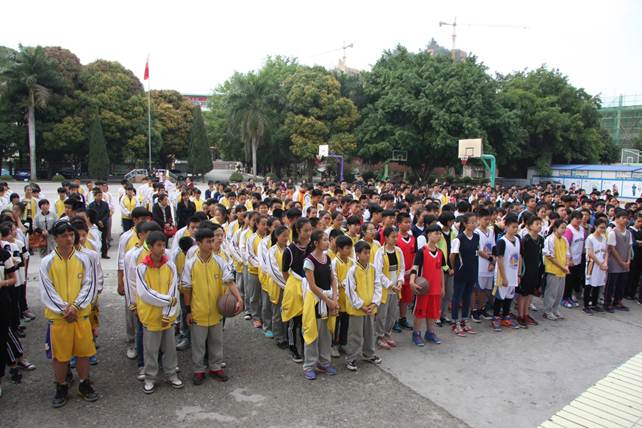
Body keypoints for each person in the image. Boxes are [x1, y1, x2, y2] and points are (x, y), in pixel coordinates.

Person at [40, 220, 98, 407]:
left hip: (80, 315)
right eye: (64, 235)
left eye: (71, 234)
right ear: (55, 238)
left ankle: (84, 383)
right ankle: (61, 385)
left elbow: (89, 285)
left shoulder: (84, 259)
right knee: (60, 356)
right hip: (59, 318)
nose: (69, 238)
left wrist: (76, 307)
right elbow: (47, 290)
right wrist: (64, 308)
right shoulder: (47, 262)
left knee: (83, 353)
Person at [183, 226, 243, 385]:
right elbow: (187, 290)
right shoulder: (190, 264)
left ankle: (215, 367)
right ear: (198, 243)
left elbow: (229, 281)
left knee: (216, 341)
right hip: (198, 311)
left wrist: (239, 299)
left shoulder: (219, 261)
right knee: (198, 344)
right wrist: (188, 311)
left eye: (212, 240)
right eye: (208, 241)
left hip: (216, 311)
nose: (211, 244)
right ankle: (198, 370)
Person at [135, 230, 182, 394]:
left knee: (170, 348)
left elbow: (173, 290)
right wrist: (167, 301)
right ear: (150, 247)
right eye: (159, 245)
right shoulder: (141, 268)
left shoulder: (170, 265)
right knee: (151, 350)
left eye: (164, 245)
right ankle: (150, 378)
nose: (163, 249)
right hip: (150, 316)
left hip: (166, 317)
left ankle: (171, 374)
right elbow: (145, 293)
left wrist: (167, 313)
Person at [302, 230, 338, 380]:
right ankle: (309, 365)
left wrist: (334, 297)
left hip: (328, 298)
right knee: (312, 332)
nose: (327, 242)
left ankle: (324, 362)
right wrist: (328, 300)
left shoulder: (327, 258)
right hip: (316, 300)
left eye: (327, 239)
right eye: (324, 240)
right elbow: (312, 285)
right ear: (316, 243)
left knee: (325, 333)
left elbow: (332, 278)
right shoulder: (309, 261)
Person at [344, 240, 382, 372]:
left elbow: (377, 285)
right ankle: (351, 358)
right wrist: (360, 305)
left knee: (369, 332)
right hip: (357, 309)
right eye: (365, 253)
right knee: (355, 334)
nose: (368, 255)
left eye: (369, 252)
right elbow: (350, 291)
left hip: (370, 308)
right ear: (358, 254)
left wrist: (374, 303)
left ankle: (369, 353)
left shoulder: (373, 269)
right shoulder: (352, 270)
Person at [409, 224, 446, 346]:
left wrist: (442, 286)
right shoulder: (422, 252)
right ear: (429, 235)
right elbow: (415, 267)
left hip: (435, 289)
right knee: (420, 312)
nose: (439, 235)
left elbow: (440, 270)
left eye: (440, 233)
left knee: (433, 312)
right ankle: (416, 333)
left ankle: (430, 332)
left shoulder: (440, 253)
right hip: (423, 289)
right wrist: (412, 281)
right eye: (436, 233)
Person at [281, 217, 312, 363]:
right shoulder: (289, 250)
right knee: (294, 320)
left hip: (309, 286)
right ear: (298, 231)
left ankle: (306, 346)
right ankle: (293, 347)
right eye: (305, 230)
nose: (308, 233)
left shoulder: (312, 247)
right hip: (295, 287)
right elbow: (285, 271)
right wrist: (294, 285)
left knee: (307, 318)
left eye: (310, 230)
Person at [373, 226, 403, 350]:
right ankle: (380, 336)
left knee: (392, 314)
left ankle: (387, 334)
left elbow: (401, 268)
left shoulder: (398, 251)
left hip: (396, 288)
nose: (395, 239)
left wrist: (400, 281)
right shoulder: (380, 252)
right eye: (393, 237)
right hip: (385, 289)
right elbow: (378, 272)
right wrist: (390, 285)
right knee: (382, 314)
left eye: (396, 236)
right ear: (386, 238)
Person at [449, 213, 479, 336]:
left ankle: (465, 320)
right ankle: (455, 322)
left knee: (467, 296)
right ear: (465, 224)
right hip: (461, 272)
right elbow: (452, 256)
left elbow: (477, 252)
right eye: (471, 222)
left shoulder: (477, 237)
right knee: (457, 296)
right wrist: (454, 268)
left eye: (475, 222)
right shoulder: (459, 239)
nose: (474, 224)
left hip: (472, 270)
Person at [491, 215, 521, 331]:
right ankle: (496, 317)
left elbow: (519, 257)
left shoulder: (517, 240)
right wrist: (503, 277)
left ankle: (506, 316)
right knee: (500, 297)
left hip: (513, 274)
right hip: (502, 274)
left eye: (516, 227)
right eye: (513, 227)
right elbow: (500, 260)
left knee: (509, 296)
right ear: (507, 227)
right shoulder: (502, 241)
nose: (515, 229)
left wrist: (518, 274)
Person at [516, 215, 543, 327]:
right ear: (529, 226)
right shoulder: (525, 240)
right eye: (537, 224)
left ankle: (526, 314)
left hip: (535, 270)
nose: (539, 226)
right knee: (523, 294)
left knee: (530, 293)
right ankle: (520, 315)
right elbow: (520, 257)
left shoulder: (541, 239)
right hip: (525, 270)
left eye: (540, 224)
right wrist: (519, 273)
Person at [330, 234, 353, 357]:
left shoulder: (352, 262)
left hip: (348, 299)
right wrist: (344, 283)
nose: (349, 250)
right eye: (346, 248)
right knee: (335, 322)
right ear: (339, 249)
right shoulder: (334, 262)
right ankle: (333, 345)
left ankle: (343, 343)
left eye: (350, 248)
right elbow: (334, 281)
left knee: (346, 322)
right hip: (338, 298)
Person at [605, 208, 632, 312]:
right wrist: (621, 261)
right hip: (615, 262)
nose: (625, 220)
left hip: (625, 262)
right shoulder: (613, 232)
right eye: (623, 218)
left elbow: (629, 247)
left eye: (626, 218)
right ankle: (607, 303)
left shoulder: (628, 233)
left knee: (621, 283)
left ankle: (617, 301)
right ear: (617, 219)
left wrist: (628, 261)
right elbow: (612, 248)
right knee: (611, 283)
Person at [543, 219, 570, 320]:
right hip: (553, 270)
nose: (564, 230)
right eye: (562, 228)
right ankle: (547, 311)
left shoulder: (564, 240)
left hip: (562, 271)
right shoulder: (550, 239)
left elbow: (567, 254)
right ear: (555, 228)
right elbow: (550, 256)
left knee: (559, 293)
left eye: (565, 228)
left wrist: (566, 266)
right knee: (551, 292)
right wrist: (563, 267)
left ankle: (555, 309)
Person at [395, 212, 416, 331]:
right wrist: (401, 272)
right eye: (405, 222)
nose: (408, 225)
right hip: (398, 274)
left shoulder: (413, 239)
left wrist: (412, 269)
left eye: (409, 222)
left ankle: (402, 318)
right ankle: (394, 320)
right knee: (396, 298)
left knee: (406, 299)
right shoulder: (395, 238)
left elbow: (415, 256)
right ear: (399, 224)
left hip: (409, 274)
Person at [584, 218, 608, 315]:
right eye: (601, 227)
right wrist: (600, 263)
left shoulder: (604, 238)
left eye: (604, 228)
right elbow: (590, 253)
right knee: (589, 284)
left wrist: (605, 262)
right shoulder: (590, 238)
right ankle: (586, 305)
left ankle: (594, 303)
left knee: (598, 283)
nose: (602, 230)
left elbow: (606, 251)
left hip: (601, 264)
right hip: (593, 264)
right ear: (595, 227)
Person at [88, 189, 110, 259]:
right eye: (98, 195)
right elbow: (91, 215)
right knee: (95, 239)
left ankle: (104, 253)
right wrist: (98, 221)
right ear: (95, 196)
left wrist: (102, 221)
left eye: (101, 195)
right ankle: (95, 253)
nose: (100, 197)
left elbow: (107, 213)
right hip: (95, 225)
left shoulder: (105, 204)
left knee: (104, 239)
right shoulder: (91, 205)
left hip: (104, 224)